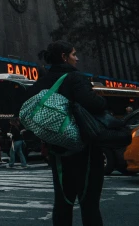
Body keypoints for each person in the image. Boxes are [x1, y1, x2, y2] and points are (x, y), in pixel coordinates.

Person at [30, 41, 107, 226]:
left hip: (57, 150)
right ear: (64, 57)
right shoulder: (76, 78)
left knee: (63, 204)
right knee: (89, 204)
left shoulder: (42, 82)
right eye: (74, 54)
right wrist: (102, 100)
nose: (77, 58)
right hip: (85, 149)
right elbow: (93, 104)